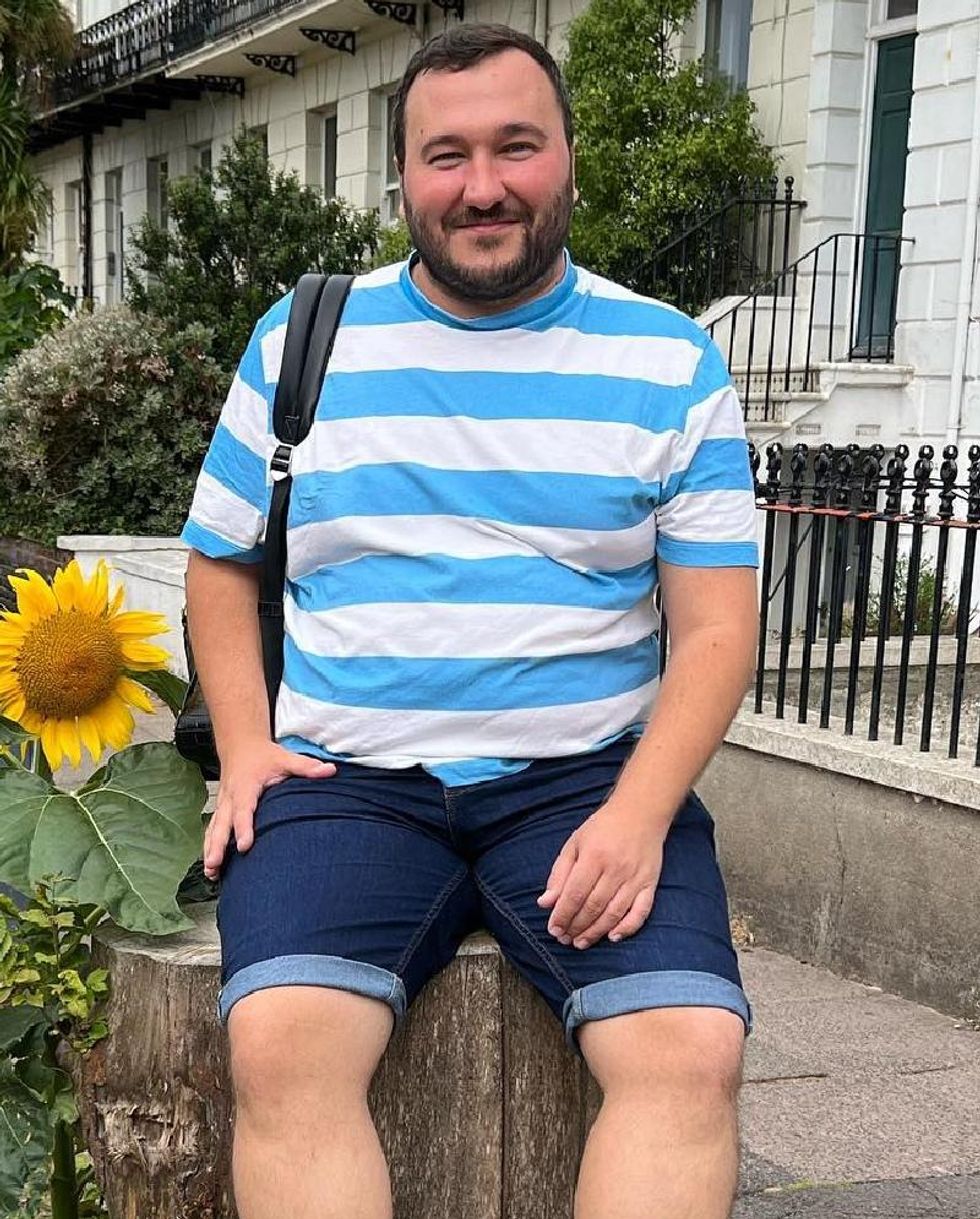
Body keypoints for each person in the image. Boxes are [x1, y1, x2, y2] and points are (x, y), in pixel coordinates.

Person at [182, 23, 760, 1219]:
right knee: (282, 1042)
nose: (481, 186)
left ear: (567, 158)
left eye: (515, 146)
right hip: (346, 781)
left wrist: (638, 813)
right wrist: (243, 746)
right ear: (401, 175)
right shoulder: (300, 343)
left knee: (687, 1052)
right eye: (445, 155)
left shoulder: (667, 362)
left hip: (582, 783)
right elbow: (220, 564)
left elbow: (714, 627)